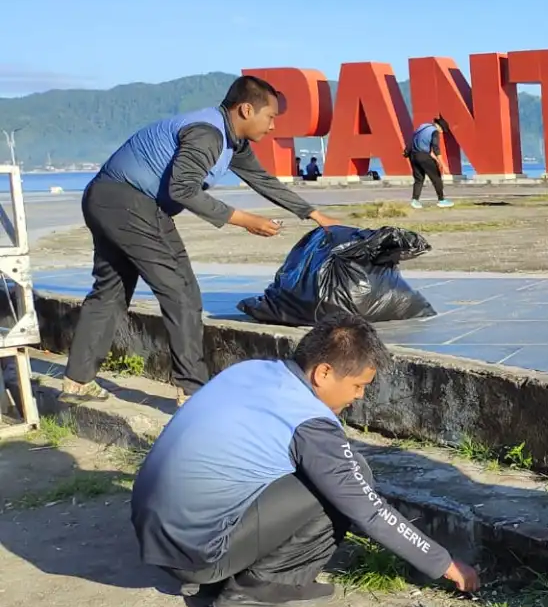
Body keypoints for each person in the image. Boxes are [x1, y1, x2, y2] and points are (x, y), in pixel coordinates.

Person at [132, 313, 482, 607]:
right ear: (324, 372)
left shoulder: (252, 370)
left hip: (155, 539)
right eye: (358, 385)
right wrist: (444, 563)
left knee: (316, 472)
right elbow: (368, 510)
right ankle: (262, 586)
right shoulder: (309, 422)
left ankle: (217, 575)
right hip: (198, 554)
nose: (359, 396)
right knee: (352, 474)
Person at [61, 75, 340, 406]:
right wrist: (247, 221)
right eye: (270, 116)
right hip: (129, 202)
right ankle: (192, 392)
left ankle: (76, 383)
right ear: (246, 110)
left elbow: (262, 180)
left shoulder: (232, 141)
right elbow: (183, 189)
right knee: (180, 291)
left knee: (112, 292)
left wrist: (314, 214)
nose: (272, 125)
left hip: (112, 198)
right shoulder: (208, 134)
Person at [407, 116, 454, 209]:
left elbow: (420, 144)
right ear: (439, 126)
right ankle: (441, 200)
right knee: (436, 177)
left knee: (419, 179)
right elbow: (436, 149)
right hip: (423, 157)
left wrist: (436, 160)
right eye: (442, 130)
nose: (441, 132)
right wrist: (443, 165)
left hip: (413, 155)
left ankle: (415, 201)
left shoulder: (423, 126)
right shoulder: (434, 131)